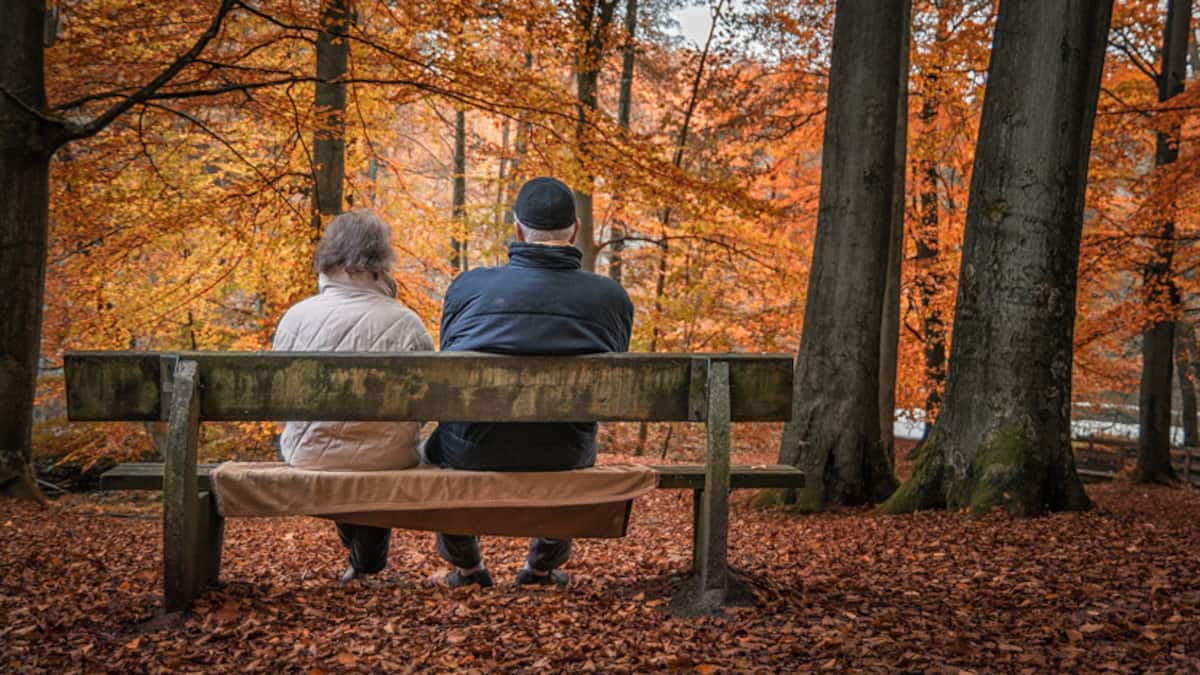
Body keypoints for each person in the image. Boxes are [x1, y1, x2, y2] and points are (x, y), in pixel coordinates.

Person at [424, 176, 634, 588]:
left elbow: (450, 363)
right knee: (566, 437)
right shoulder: (610, 298)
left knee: (445, 441)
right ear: (574, 231)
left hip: (472, 450)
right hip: (563, 451)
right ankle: (540, 568)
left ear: (518, 230)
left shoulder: (467, 287)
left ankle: (468, 568)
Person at [272, 210, 435, 583]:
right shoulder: (405, 322)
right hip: (389, 455)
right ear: (382, 260)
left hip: (308, 452)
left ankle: (364, 563)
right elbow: (426, 405)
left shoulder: (295, 318)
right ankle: (367, 562)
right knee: (377, 456)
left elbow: (282, 401)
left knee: (343, 457)